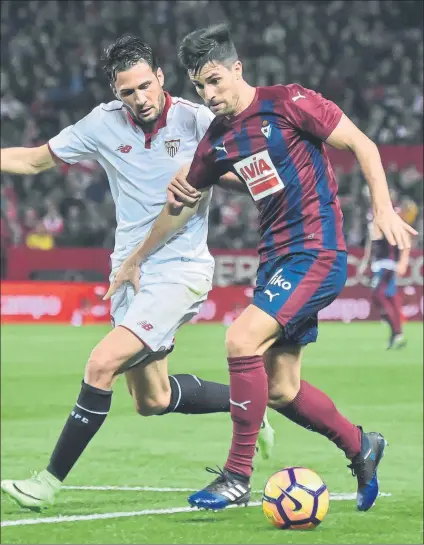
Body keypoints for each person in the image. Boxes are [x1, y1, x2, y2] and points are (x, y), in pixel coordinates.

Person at [118, 24, 417, 513]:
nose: (209, 94)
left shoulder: (290, 102)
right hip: (275, 259)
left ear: (237, 69)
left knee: (240, 339)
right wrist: (136, 256)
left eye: (215, 80)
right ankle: (361, 445)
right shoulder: (217, 142)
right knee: (281, 389)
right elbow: (185, 204)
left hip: (317, 252)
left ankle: (237, 476)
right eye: (199, 87)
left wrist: (382, 209)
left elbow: (364, 145)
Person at [0, 35, 274, 512]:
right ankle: (249, 403)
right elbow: (33, 158)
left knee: (100, 364)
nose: (140, 99)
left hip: (180, 269)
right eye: (128, 92)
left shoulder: (197, 119)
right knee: (153, 398)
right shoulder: (101, 125)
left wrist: (212, 177)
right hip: (127, 270)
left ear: (161, 78)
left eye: (146, 86)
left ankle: (46, 482)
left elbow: (246, 172)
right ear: (115, 91)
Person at [360, 197, 417, 349]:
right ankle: (396, 334)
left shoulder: (388, 216)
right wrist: (366, 262)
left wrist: (403, 261)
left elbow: (405, 237)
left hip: (387, 264)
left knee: (379, 295)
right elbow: (371, 244)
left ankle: (396, 331)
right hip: (378, 264)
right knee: (390, 298)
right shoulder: (374, 218)